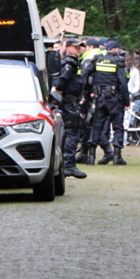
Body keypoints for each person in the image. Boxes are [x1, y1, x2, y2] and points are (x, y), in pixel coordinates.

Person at [82, 40, 130, 165]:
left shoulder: (97, 59)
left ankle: (91, 157)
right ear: (113, 49)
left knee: (97, 126)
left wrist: (87, 91)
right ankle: (117, 157)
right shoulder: (118, 61)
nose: (119, 51)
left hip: (100, 98)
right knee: (118, 127)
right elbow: (123, 83)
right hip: (115, 99)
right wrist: (126, 101)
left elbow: (84, 74)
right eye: (117, 49)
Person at [50, 38, 88, 179]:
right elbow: (60, 84)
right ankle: (68, 165)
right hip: (68, 103)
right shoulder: (69, 64)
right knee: (71, 133)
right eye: (76, 47)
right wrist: (59, 99)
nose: (79, 49)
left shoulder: (74, 63)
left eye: (80, 47)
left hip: (71, 102)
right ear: (69, 48)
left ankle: (65, 165)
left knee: (70, 133)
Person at [76, 37, 104, 165]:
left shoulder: (89, 58)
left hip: (89, 95)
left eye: (86, 46)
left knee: (86, 124)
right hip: (103, 96)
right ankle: (98, 153)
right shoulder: (104, 57)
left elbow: (84, 78)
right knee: (97, 125)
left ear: (91, 47)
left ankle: (85, 154)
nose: (84, 49)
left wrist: (80, 95)